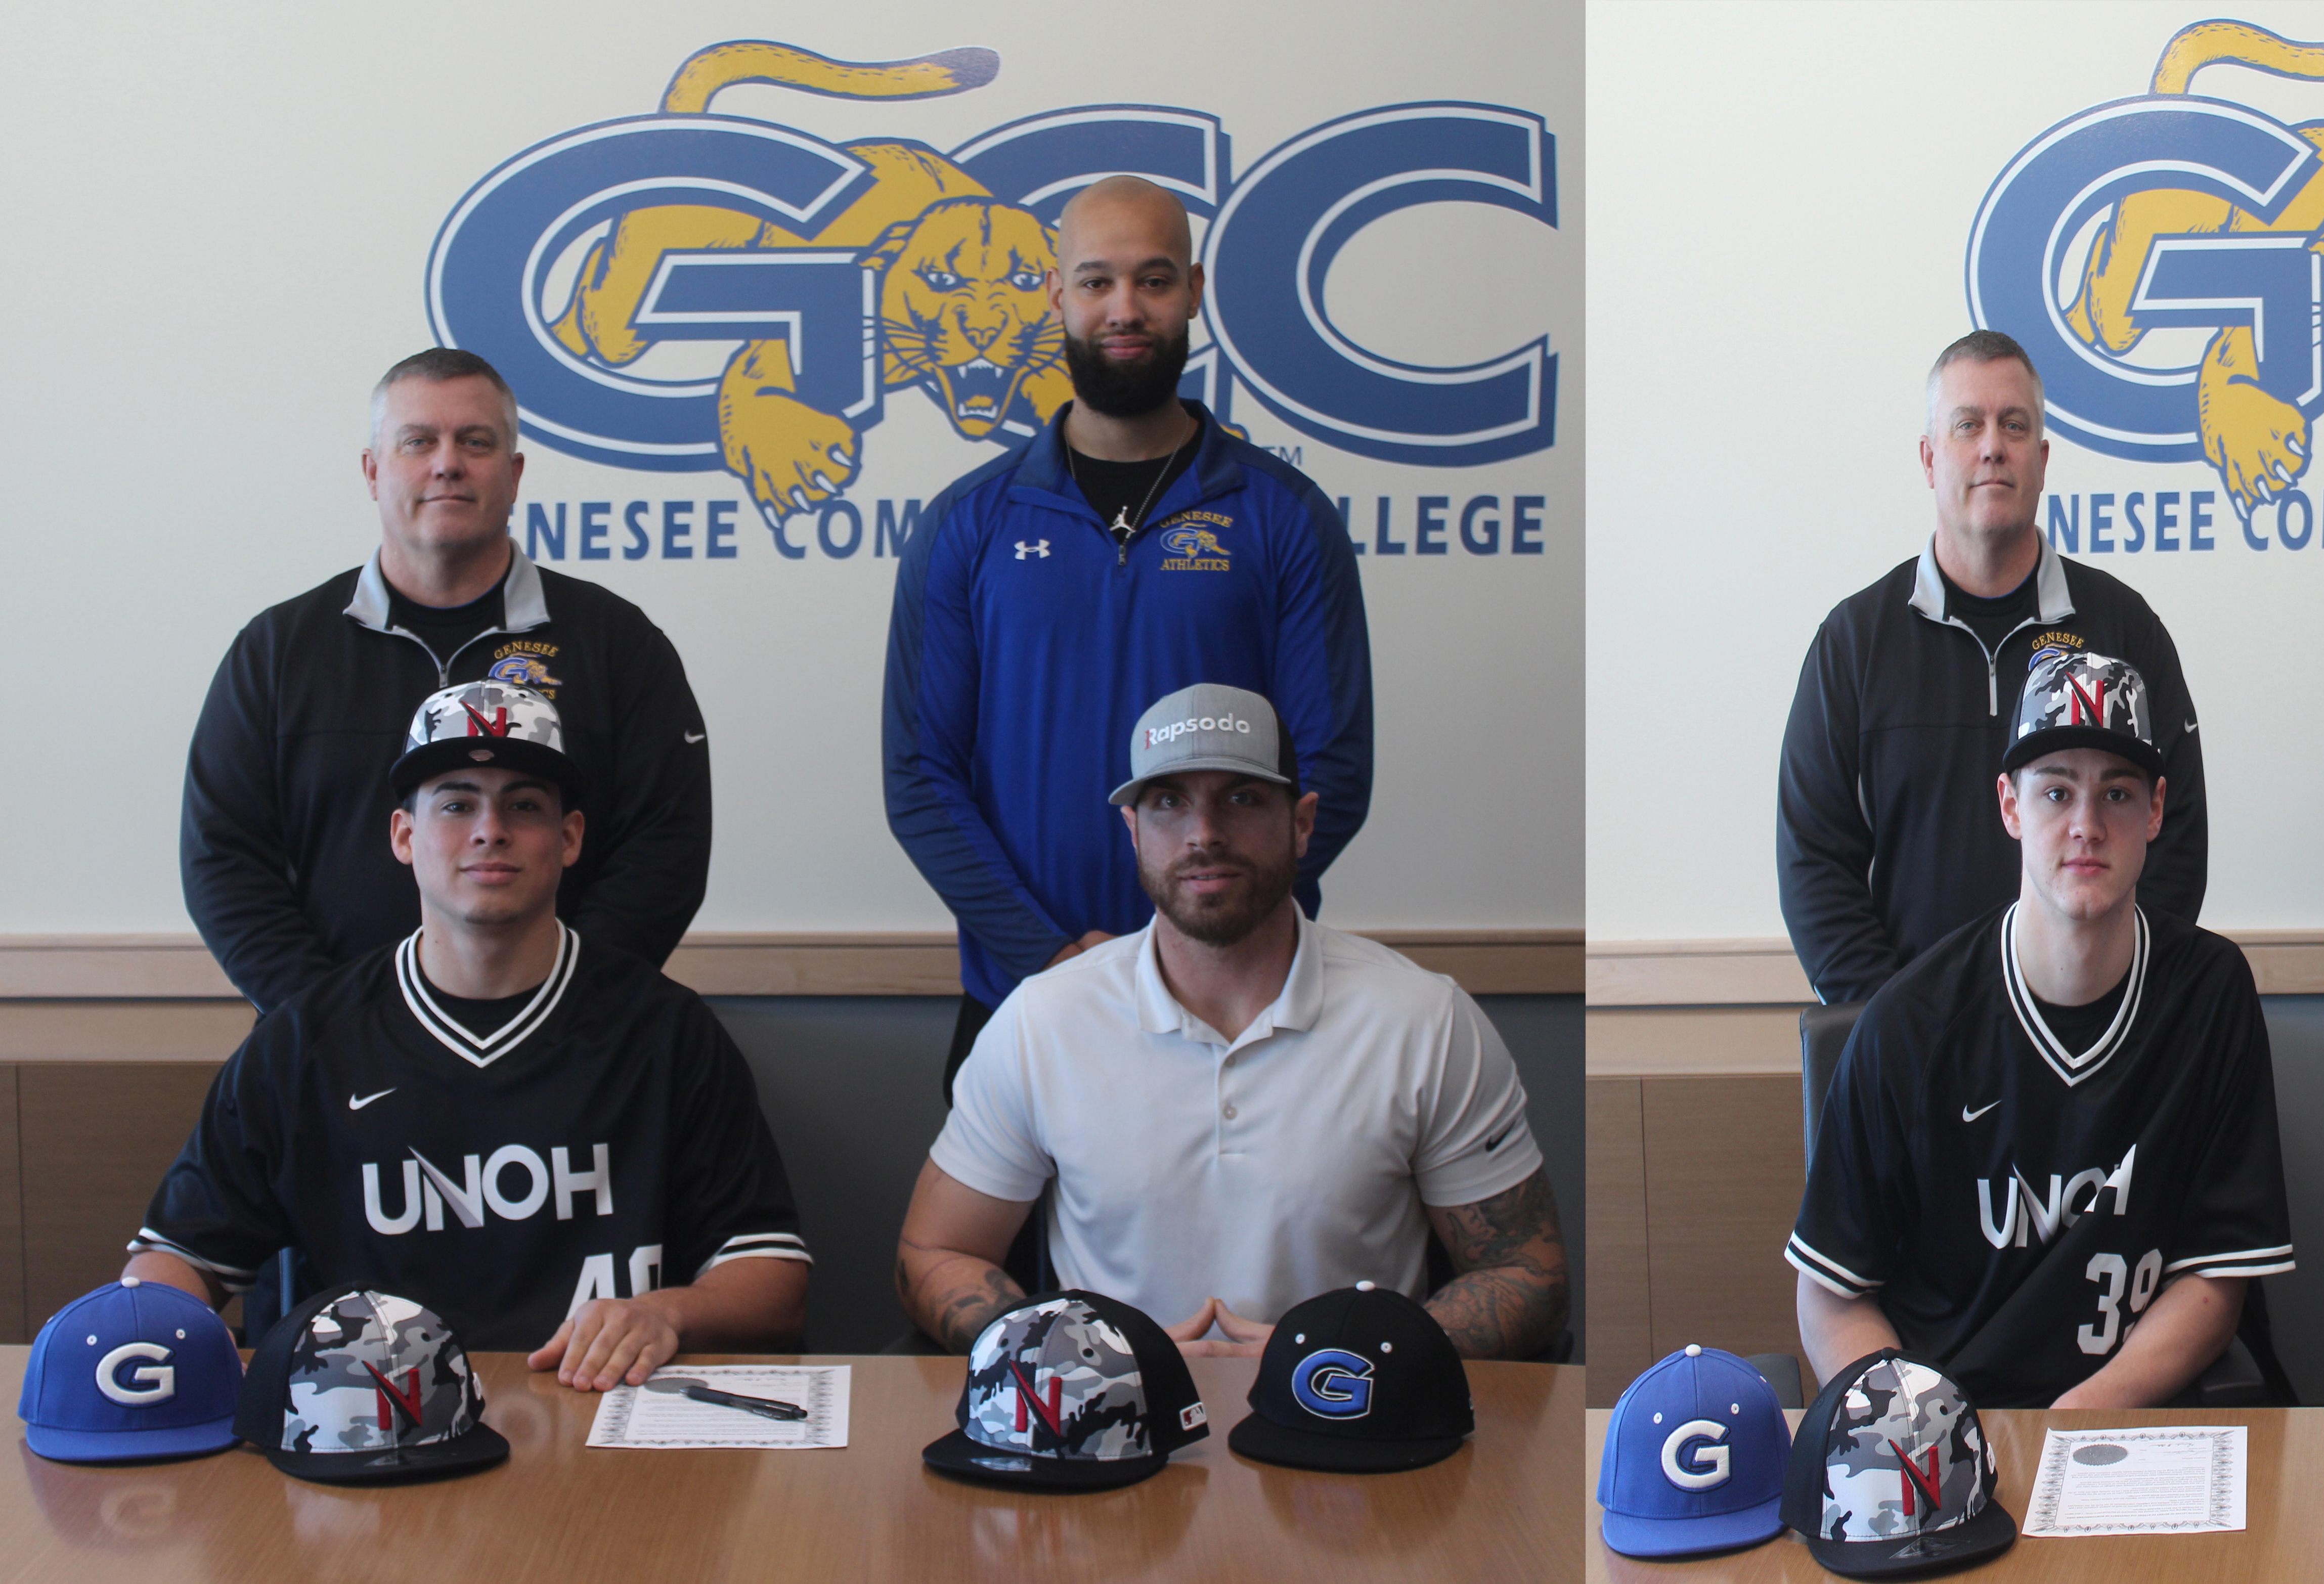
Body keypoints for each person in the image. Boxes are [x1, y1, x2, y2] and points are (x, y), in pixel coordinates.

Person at [129, 682, 808, 1390]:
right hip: (375, 1430)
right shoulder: (304, 1042)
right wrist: (146, 1340)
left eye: (523, 805)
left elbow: (773, 1278)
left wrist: (671, 1314)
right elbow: (179, 1258)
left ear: (569, 837)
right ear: (404, 835)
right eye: (456, 804)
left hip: (603, 1416)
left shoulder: (667, 1031)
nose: (491, 829)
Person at [893, 684, 1563, 1360]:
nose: (1204, 834)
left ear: (1303, 823)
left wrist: (1350, 1359)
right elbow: (934, 1252)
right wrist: (1073, 1358)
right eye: (1168, 803)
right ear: (1133, 831)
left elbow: (1525, 1274)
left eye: (1241, 798)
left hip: (1353, 1425)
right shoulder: (1043, 1021)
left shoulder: (1425, 1020)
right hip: (1112, 1433)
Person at [884, 175, 1373, 1089]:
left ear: (1193, 291)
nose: (1125, 309)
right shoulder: (968, 524)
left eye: (1153, 281)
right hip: (1027, 1006)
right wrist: (1058, 957)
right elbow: (920, 777)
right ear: (1057, 294)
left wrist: (1193, 951)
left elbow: (1332, 770)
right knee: (973, 1241)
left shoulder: (1284, 517)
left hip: (1239, 1008)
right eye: (1097, 281)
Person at [1786, 652, 2290, 1409]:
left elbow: (2216, 1280)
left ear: (2156, 811)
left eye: (2116, 794)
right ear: (2010, 806)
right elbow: (1828, 1296)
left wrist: (2080, 1419)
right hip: (1953, 1427)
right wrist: (1917, 1429)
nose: (2086, 825)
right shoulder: (1908, 1023)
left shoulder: (2209, 994)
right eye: (2057, 791)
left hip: (2136, 1421)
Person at [182, 348, 714, 1016]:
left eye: (476, 442)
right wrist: (325, 1020)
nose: (447, 463)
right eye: (418, 442)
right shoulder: (276, 653)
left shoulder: (618, 645)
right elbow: (223, 861)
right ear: (374, 471)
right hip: (334, 1052)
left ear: (515, 474)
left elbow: (668, 846)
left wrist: (566, 1006)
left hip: (567, 1047)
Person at [1779, 330, 2207, 1005]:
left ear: (2041, 458)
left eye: (2014, 425)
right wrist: (1896, 1028)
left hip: (2092, 1039)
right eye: (1967, 426)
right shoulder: (1854, 644)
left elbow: (2175, 835)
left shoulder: (2125, 631)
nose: (1992, 447)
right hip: (1911, 1050)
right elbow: (1814, 865)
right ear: (1928, 458)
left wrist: (2108, 1003)